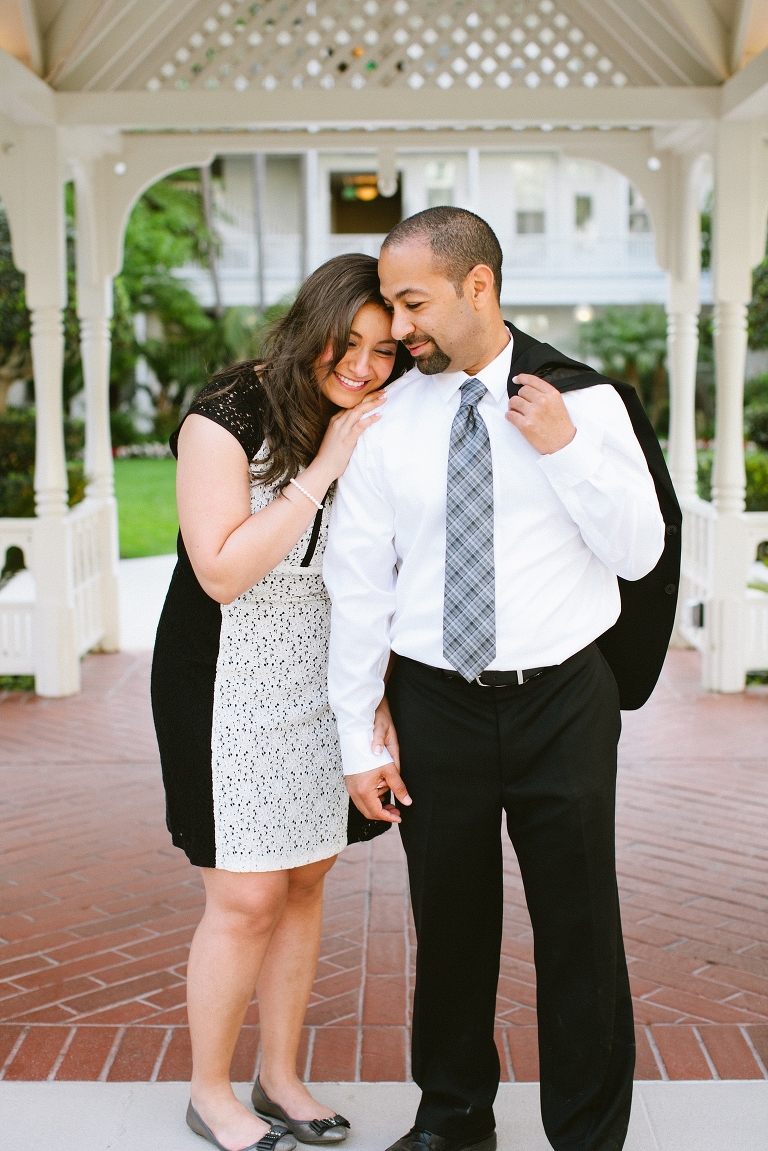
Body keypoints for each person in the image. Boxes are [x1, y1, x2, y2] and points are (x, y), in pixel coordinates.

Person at [324, 209, 667, 1151]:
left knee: (580, 925)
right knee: (450, 925)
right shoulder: (389, 418)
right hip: (437, 702)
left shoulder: (585, 404)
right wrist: (358, 735)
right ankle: (454, 1119)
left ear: (479, 287)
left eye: (412, 302)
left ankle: (589, 1134)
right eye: (392, 306)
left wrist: (564, 447)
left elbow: (641, 553)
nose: (398, 328)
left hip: (563, 697)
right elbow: (359, 582)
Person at [151, 254, 404, 1151]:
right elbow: (219, 571)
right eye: (351, 341)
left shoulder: (378, 411)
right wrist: (324, 466)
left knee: (303, 879)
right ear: (314, 322)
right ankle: (209, 1090)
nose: (365, 366)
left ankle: (282, 1076)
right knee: (246, 896)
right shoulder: (227, 413)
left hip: (322, 674)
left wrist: (374, 695)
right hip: (224, 676)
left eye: (384, 349)